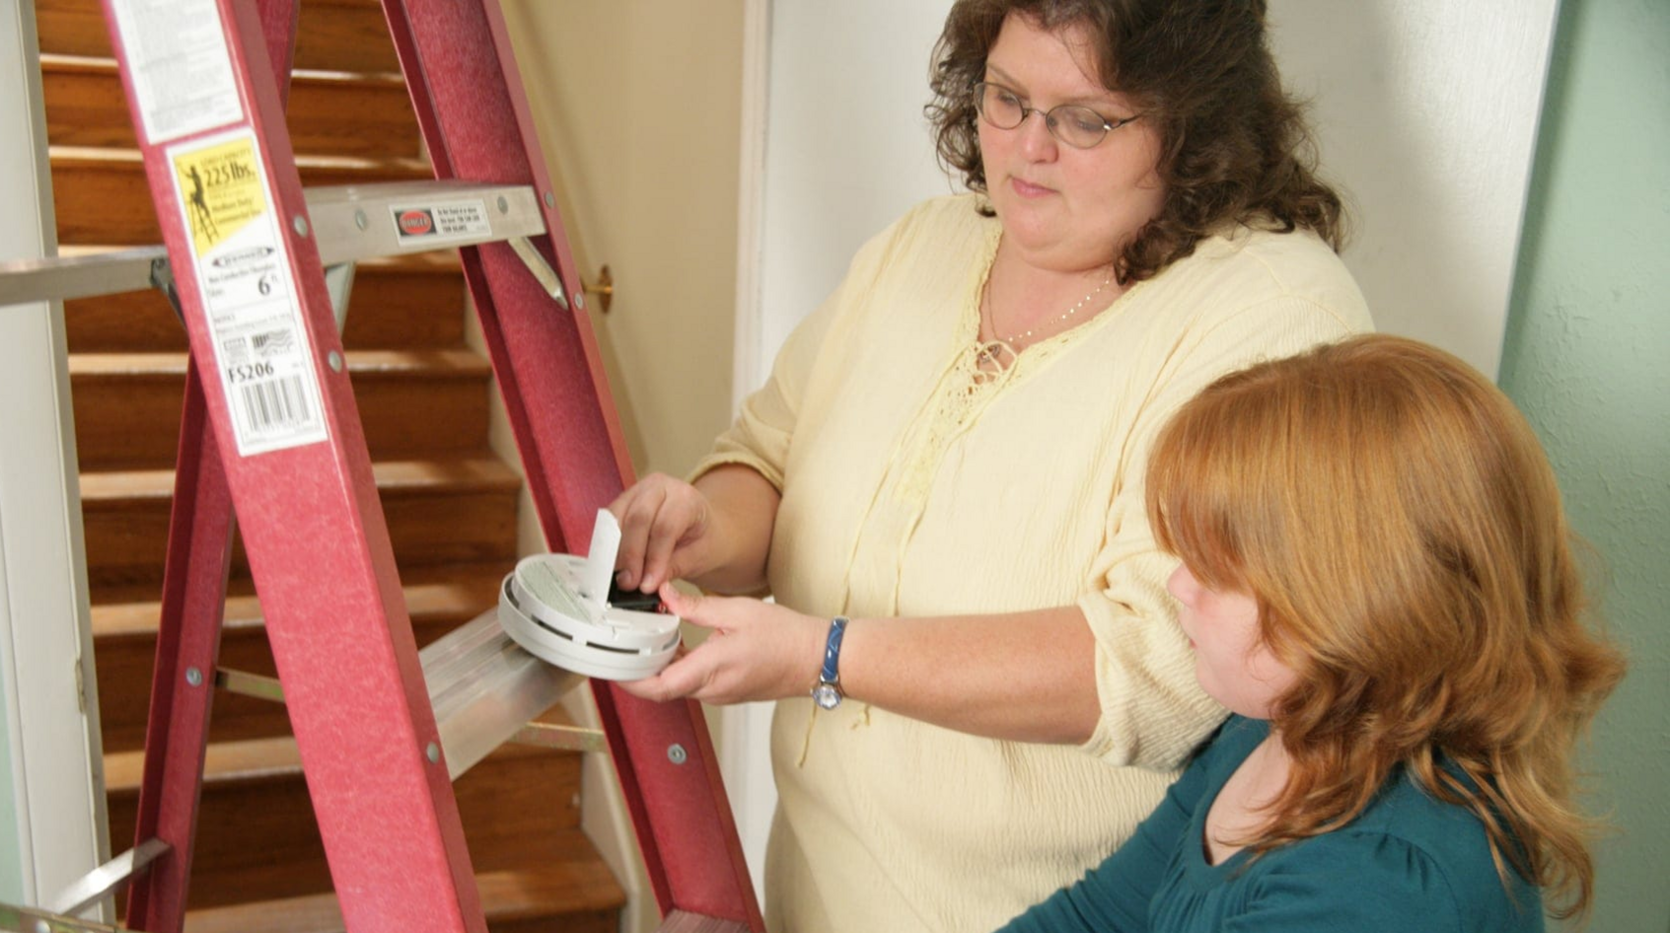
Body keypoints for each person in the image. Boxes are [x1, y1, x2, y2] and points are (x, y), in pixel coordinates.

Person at [610, 1, 1372, 929]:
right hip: (817, 892)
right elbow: (768, 459)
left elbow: (1157, 668)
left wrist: (828, 656)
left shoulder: (1274, 316)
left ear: (1194, 121)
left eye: (1086, 118)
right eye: (1006, 98)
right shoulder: (922, 247)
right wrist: (701, 525)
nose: (1027, 148)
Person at [997, 334, 1627, 933]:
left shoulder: (1379, 884)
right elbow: (1097, 918)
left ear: (1360, 604)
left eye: (1216, 571)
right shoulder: (1268, 731)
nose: (1179, 585)